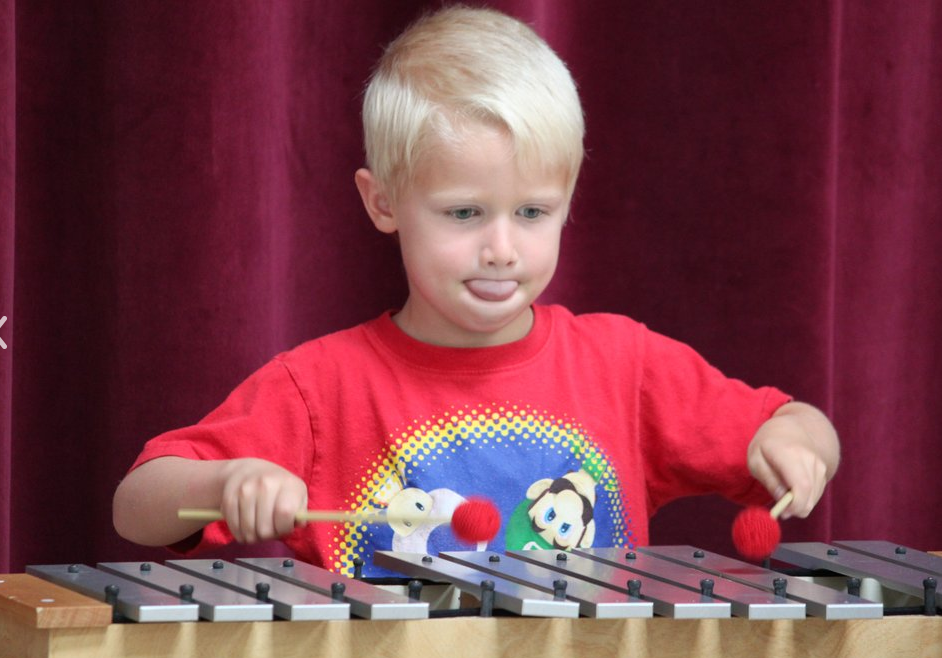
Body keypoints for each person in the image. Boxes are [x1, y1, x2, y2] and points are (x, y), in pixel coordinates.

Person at [113, 6, 839, 577]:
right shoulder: (318, 388)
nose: (502, 247)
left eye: (533, 213)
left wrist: (799, 441)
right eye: (464, 213)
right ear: (383, 202)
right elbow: (135, 505)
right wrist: (229, 482)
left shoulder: (626, 366)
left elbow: (797, 422)